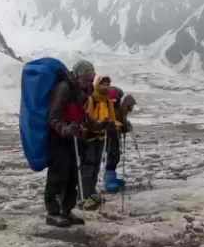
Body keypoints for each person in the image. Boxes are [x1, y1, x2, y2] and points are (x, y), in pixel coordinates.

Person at [45, 59, 96, 227]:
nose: (91, 79)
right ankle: (53, 212)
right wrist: (65, 129)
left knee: (73, 174)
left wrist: (83, 128)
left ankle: (66, 210)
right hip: (59, 139)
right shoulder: (64, 88)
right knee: (58, 174)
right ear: (80, 75)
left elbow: (79, 115)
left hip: (73, 138)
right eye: (89, 75)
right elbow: (53, 116)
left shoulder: (80, 91)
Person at [78, 75, 120, 210]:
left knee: (95, 167)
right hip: (90, 138)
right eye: (103, 84)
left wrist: (118, 126)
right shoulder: (91, 100)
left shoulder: (108, 102)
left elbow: (113, 120)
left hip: (101, 138)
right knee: (88, 166)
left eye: (108, 84)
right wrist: (101, 125)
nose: (106, 86)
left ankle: (91, 192)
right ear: (97, 85)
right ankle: (83, 195)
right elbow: (87, 118)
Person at [104, 86, 137, 192]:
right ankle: (109, 181)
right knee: (112, 155)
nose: (132, 108)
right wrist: (124, 126)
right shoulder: (118, 110)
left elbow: (121, 126)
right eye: (131, 106)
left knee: (115, 155)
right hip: (110, 135)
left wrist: (125, 126)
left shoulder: (121, 110)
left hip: (113, 135)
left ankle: (111, 178)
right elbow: (115, 124)